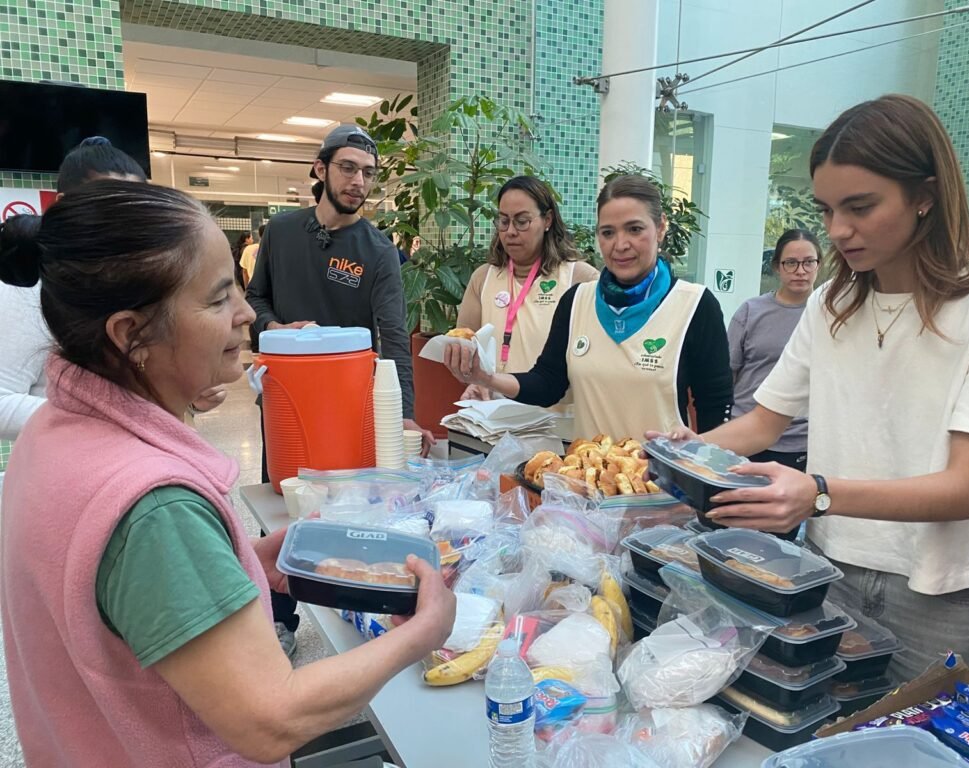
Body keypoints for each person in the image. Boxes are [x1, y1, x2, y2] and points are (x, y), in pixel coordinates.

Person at [0, 180, 456, 766]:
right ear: (129, 335)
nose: (246, 315)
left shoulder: (50, 435)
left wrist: (236, 563)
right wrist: (422, 631)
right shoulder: (154, 504)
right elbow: (271, 717)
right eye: (218, 300)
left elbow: (122, 608)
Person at [651, 95, 969, 680]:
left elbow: (965, 488)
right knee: (817, 733)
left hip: (939, 595)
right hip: (826, 572)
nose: (838, 231)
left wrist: (816, 492)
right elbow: (764, 421)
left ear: (925, 195)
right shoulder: (832, 304)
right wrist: (688, 450)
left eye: (860, 206)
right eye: (826, 210)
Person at [246, 124, 432, 651]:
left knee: (352, 513)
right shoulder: (280, 234)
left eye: (369, 173)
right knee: (281, 510)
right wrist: (272, 328)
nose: (358, 181)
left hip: (349, 408)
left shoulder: (377, 250)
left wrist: (404, 414)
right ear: (320, 168)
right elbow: (255, 299)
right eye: (348, 168)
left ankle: (358, 619)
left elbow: (394, 335)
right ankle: (279, 619)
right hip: (285, 399)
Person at [444, 174, 733, 440]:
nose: (620, 244)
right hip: (588, 480)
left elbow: (715, 405)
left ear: (660, 228)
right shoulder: (577, 301)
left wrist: (705, 475)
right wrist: (487, 378)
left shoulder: (694, 305)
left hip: (663, 488)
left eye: (634, 229)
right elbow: (547, 384)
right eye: (608, 233)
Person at [0, 136, 153, 440]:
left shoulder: (136, 280)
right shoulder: (30, 287)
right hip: (65, 468)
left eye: (133, 207)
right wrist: (108, 417)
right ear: (61, 206)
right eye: (103, 205)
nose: (121, 223)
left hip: (133, 464)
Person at [456, 176, 599, 400]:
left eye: (522, 221)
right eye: (504, 221)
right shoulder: (483, 278)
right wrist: (474, 382)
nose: (511, 231)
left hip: (557, 424)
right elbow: (463, 350)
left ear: (547, 220)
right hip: (494, 421)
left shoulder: (580, 279)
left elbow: (598, 362)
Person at [727, 229, 821, 472]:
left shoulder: (830, 315)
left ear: (818, 265)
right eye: (790, 263)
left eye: (808, 262)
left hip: (801, 442)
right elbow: (729, 375)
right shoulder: (751, 311)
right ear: (777, 267)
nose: (800, 271)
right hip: (747, 434)